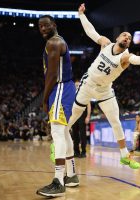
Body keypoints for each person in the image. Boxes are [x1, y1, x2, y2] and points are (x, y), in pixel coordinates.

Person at [67, 3, 140, 169]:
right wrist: (81, 15)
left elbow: (138, 59)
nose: (127, 38)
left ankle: (124, 156)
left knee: (116, 122)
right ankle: (57, 144)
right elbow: (91, 31)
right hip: (88, 83)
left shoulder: (125, 57)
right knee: (72, 117)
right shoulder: (105, 44)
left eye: (129, 38)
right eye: (124, 35)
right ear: (117, 38)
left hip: (104, 90)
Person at [36, 15, 79, 197]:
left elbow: (52, 75)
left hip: (60, 88)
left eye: (46, 25)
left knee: (57, 132)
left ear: (54, 25)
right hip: (65, 88)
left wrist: (44, 99)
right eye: (40, 26)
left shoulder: (53, 43)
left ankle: (58, 181)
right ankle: (72, 175)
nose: (43, 29)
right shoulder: (58, 41)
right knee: (64, 132)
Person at [72, 81, 91, 158]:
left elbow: (88, 106)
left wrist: (88, 116)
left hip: (82, 116)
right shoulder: (72, 94)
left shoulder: (84, 93)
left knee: (83, 135)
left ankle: (83, 152)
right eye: (75, 85)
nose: (77, 86)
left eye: (78, 85)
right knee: (75, 135)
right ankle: (76, 152)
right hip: (74, 117)